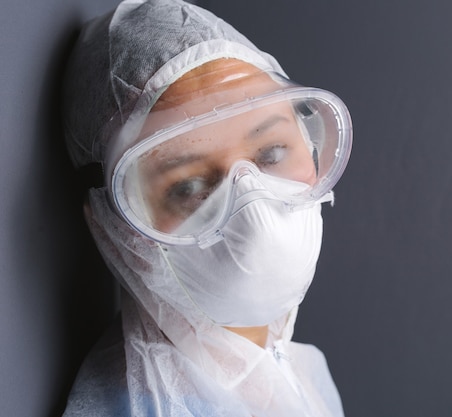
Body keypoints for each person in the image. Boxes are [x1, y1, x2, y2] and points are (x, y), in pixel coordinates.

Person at [61, 0, 352, 416]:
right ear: (114, 229)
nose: (255, 213)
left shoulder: (303, 373)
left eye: (271, 153)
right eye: (189, 186)